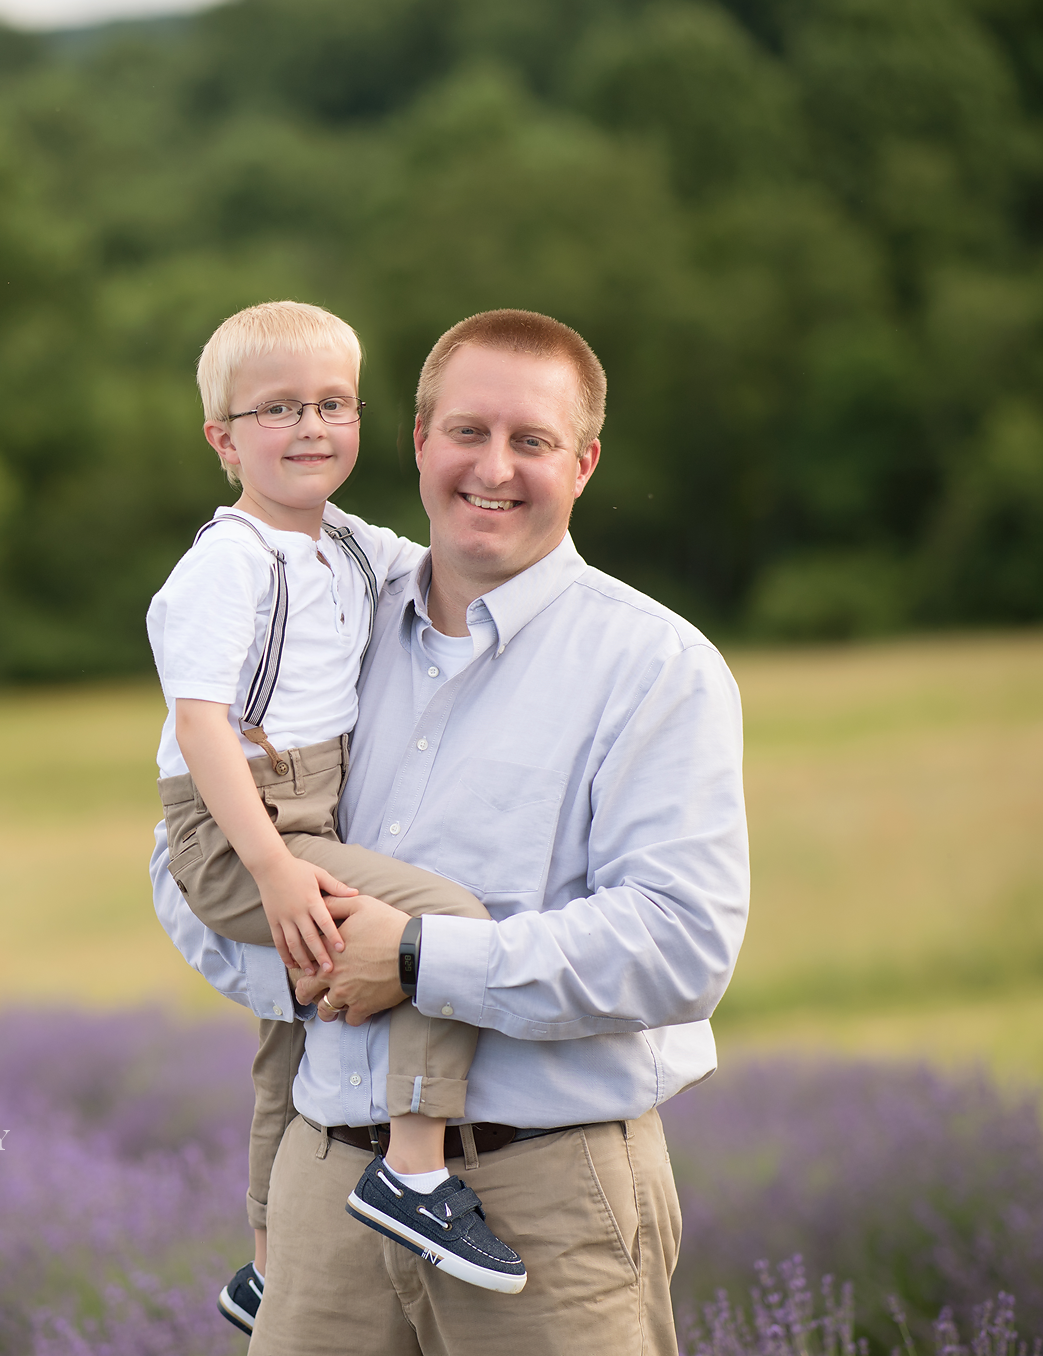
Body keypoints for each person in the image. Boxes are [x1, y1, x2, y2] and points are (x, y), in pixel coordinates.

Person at [151, 308, 751, 1355]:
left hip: (548, 1195)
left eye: (531, 441)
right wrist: (322, 962)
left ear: (584, 462)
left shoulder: (654, 666)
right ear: (417, 441)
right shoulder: (321, 605)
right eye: (467, 432)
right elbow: (181, 863)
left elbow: (680, 946)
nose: (494, 468)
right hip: (322, 1184)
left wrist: (422, 961)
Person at [146, 301, 528, 1335]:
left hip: (299, 814)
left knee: (297, 1026)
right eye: (276, 410)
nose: (310, 427)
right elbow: (203, 727)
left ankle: (265, 1261)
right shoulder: (228, 564)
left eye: (331, 404)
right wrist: (270, 868)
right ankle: (411, 1172)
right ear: (222, 441)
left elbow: (440, 565)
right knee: (437, 926)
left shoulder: (343, 545)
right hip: (242, 825)